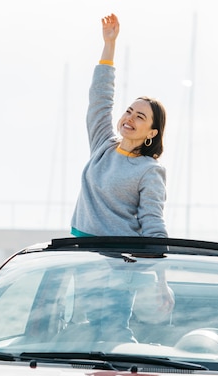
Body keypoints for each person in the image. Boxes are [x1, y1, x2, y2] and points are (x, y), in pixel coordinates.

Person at [71, 13, 168, 238]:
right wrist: (109, 44)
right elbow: (100, 98)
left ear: (152, 133)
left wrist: (159, 258)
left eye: (140, 117)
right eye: (129, 111)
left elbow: (152, 219)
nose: (130, 118)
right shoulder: (103, 144)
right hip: (81, 249)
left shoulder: (149, 171)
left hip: (121, 258)